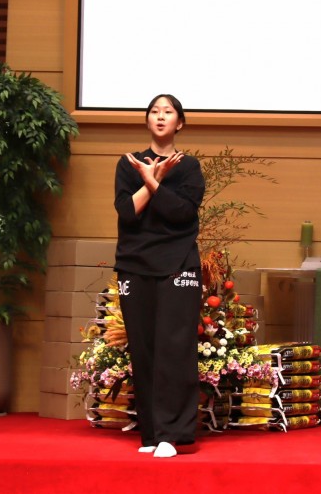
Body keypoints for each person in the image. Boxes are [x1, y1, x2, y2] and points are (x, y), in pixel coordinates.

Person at [114, 94, 205, 458]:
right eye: (155, 111)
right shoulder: (129, 164)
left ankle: (173, 434)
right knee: (144, 347)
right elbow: (127, 213)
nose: (161, 116)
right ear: (147, 121)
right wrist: (147, 177)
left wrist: (154, 182)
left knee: (174, 348)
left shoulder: (189, 167)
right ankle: (151, 432)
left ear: (179, 123)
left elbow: (181, 214)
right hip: (135, 263)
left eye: (168, 112)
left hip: (178, 263)